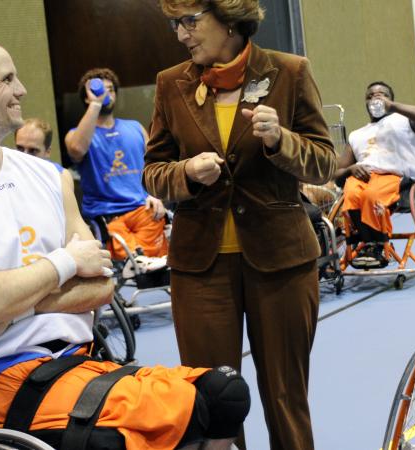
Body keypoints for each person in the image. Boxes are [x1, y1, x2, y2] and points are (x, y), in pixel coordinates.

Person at [0, 38, 249, 450]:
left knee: (225, 395)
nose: (21, 89)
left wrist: (16, 310)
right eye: (7, 79)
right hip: (0, 378)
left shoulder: (48, 176)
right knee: (174, 420)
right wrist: (65, 262)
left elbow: (103, 286)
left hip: (82, 359)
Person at [144, 2, 336, 448]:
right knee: (213, 398)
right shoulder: (170, 83)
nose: (180, 34)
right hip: (201, 269)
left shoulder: (289, 72)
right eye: (175, 24)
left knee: (286, 396)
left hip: (282, 263)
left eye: (190, 21)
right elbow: (153, 172)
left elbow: (324, 163)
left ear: (228, 19)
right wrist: (186, 173)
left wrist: (280, 140)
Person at [335, 81, 415, 268]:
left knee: (371, 195)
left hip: (398, 179)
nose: (375, 98)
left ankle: (377, 245)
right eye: (370, 96)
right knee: (351, 192)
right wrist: (350, 170)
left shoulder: (405, 121)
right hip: (363, 178)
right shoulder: (356, 135)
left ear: (390, 99)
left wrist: (393, 107)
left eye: (382, 94)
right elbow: (337, 175)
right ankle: (365, 242)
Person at [65, 68, 168, 262]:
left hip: (143, 210)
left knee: (155, 264)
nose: (106, 94)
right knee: (133, 263)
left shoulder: (135, 128)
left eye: (110, 89)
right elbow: (77, 149)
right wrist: (96, 103)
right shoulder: (76, 135)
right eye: (99, 90)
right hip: (108, 217)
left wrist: (155, 195)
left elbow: (153, 165)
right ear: (87, 97)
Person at [15, 117, 75, 189]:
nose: (24, 156)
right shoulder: (5, 172)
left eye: (33, 151)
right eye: (20, 148)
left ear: (47, 152)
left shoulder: (61, 176)